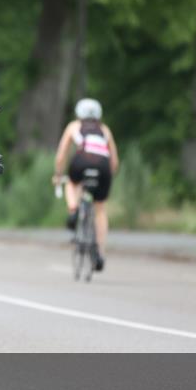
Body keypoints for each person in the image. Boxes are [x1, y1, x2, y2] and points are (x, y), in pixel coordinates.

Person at [53, 98, 119, 271]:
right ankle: (99, 252)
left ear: (78, 114)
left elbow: (61, 155)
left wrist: (58, 175)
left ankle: (74, 210)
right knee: (100, 209)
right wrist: (108, 176)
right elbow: (114, 162)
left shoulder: (74, 126)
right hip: (103, 166)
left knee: (71, 183)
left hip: (81, 162)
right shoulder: (105, 130)